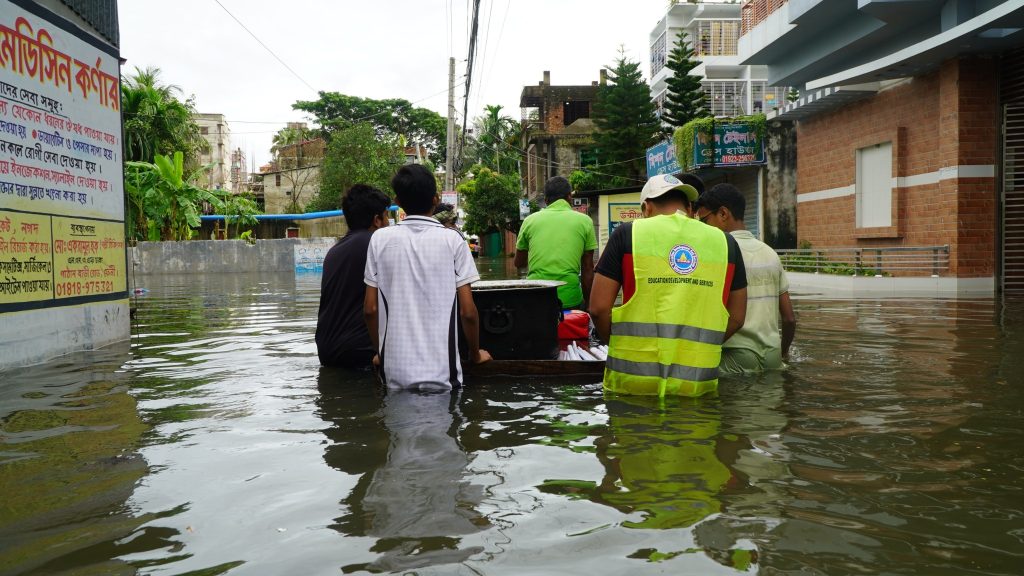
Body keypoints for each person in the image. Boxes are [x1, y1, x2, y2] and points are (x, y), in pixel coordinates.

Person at [590, 173, 748, 397]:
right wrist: (702, 348)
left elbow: (598, 308)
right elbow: (737, 318)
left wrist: (620, 345)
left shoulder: (627, 234)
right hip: (696, 383)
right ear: (690, 207)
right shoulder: (726, 243)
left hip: (632, 381)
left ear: (646, 208)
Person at [363, 164, 491, 389]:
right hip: (442, 377)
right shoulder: (453, 241)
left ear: (398, 202)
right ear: (436, 198)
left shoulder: (379, 240)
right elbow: (468, 312)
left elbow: (370, 310)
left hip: (394, 375)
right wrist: (475, 354)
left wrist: (380, 353)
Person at [695, 183, 796, 372]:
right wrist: (782, 354)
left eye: (704, 221)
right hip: (772, 357)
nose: (703, 228)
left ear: (723, 214)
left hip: (735, 358)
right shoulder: (771, 254)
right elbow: (789, 319)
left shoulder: (716, 253)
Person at [315, 184, 391, 370]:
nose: (389, 221)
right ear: (377, 220)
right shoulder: (377, 244)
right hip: (361, 352)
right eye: (387, 215)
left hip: (327, 351)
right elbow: (372, 309)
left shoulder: (333, 252)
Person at [514, 176, 597, 309]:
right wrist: (589, 306)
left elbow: (519, 263)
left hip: (536, 298)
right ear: (570, 197)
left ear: (546, 200)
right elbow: (588, 269)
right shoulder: (585, 221)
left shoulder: (529, 221)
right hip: (571, 300)